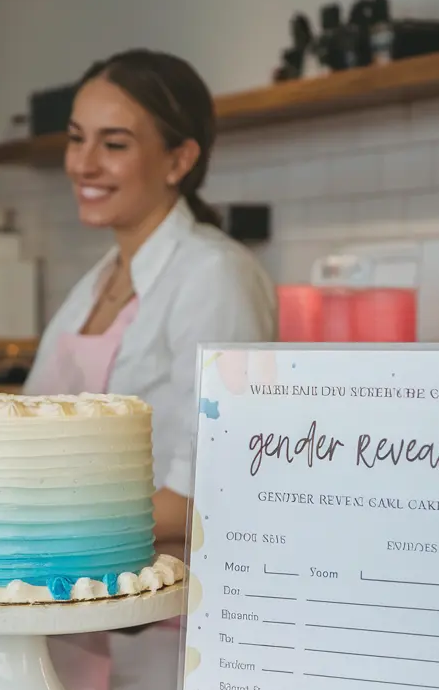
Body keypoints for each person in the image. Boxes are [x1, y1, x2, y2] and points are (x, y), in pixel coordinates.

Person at [24, 48, 275, 550]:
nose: (83, 164)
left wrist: (32, 525)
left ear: (178, 160)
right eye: (77, 139)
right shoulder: (97, 282)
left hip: (157, 606)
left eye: (113, 145)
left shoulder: (214, 276)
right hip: (68, 585)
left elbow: (208, 493)